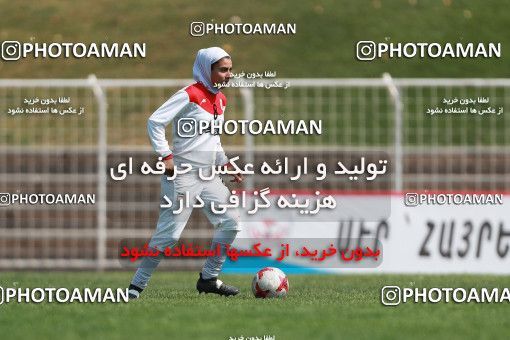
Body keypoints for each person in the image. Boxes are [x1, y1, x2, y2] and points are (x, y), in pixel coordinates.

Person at [128, 47, 243, 299]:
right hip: (182, 175)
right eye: (223, 70)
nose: (228, 74)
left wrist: (225, 163)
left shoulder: (221, 100)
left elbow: (213, 139)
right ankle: (136, 287)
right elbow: (155, 122)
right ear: (207, 69)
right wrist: (166, 156)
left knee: (231, 223)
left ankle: (209, 279)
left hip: (208, 175)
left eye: (230, 69)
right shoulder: (189, 94)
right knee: (169, 236)